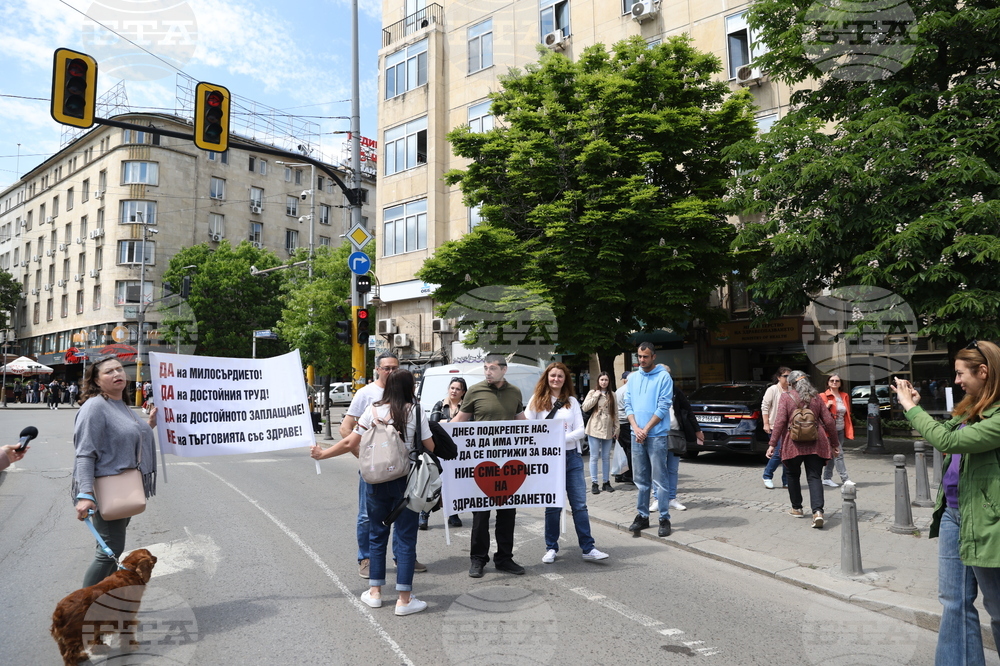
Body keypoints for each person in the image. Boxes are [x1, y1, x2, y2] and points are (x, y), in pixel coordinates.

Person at [893, 340, 1000, 663]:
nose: (956, 381)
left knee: (997, 607)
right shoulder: (972, 406)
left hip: (986, 519)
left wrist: (910, 409)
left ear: (983, 372)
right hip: (954, 513)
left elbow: (946, 440)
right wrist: (915, 403)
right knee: (953, 601)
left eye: (960, 374)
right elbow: (943, 433)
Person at [312, 370, 433, 616]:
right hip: (406, 482)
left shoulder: (373, 410)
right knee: (406, 538)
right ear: (411, 388)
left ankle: (375, 593)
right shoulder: (415, 412)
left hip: (375, 480)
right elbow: (430, 446)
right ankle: (404, 599)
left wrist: (322, 454)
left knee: (377, 535)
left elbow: (349, 442)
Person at [72, 354, 158, 587]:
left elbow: (126, 437)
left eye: (119, 369)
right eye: (109, 371)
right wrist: (85, 494)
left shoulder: (121, 405)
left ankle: (102, 599)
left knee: (110, 548)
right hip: (106, 487)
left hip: (125, 487)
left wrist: (148, 425)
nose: (117, 373)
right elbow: (85, 453)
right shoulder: (95, 407)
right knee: (109, 550)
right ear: (97, 381)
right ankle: (82, 607)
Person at [340, 353, 425, 578]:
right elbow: (346, 428)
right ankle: (366, 558)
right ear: (377, 369)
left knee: (403, 514)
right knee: (368, 516)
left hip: (404, 470)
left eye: (394, 368)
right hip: (374, 469)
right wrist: (365, 457)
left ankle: (402, 558)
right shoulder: (366, 394)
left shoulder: (409, 397)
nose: (390, 371)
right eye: (386, 368)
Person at [451, 354, 528, 577]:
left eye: (492, 368)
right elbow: (460, 421)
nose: (488, 372)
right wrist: (436, 430)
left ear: (504, 370)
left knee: (507, 514)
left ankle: (504, 558)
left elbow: (522, 422)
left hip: (508, 463)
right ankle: (478, 559)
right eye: (485, 368)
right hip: (482, 464)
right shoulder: (475, 391)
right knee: (481, 515)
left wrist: (546, 434)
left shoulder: (514, 392)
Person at [527, 362, 610, 564]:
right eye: (553, 375)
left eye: (560, 376)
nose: (556, 379)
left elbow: (581, 431)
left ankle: (588, 548)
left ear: (566, 379)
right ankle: (551, 548)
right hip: (549, 459)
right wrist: (554, 438)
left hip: (572, 457)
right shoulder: (537, 400)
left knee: (580, 505)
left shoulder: (572, 401)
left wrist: (559, 438)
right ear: (547, 377)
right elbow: (529, 428)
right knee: (553, 506)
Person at [766, 371, 838, 529]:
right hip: (816, 442)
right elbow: (829, 422)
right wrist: (834, 444)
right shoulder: (817, 397)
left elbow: (779, 422)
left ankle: (797, 508)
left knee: (792, 475)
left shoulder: (786, 397)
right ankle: (818, 512)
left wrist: (772, 444)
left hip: (793, 442)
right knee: (814, 477)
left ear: (791, 383)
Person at [623, 342, 674, 537]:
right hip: (637, 434)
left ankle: (664, 518)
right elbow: (627, 405)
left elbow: (663, 406)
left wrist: (645, 429)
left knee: (659, 479)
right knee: (640, 479)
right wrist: (636, 428)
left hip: (656, 435)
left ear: (654, 357)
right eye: (639, 356)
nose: (641, 360)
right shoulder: (633, 378)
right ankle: (642, 516)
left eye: (645, 356)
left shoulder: (663, 377)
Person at [421, 377, 467, 529]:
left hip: (458, 451)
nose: (454, 391)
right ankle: (424, 515)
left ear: (463, 392)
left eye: (457, 389)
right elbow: (434, 424)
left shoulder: (466, 406)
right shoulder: (440, 405)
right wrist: (453, 423)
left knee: (453, 483)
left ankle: (453, 514)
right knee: (432, 482)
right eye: (452, 388)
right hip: (439, 449)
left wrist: (446, 423)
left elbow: (469, 423)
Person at [582, 371, 618, 494]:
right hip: (594, 426)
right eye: (601, 379)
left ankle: (606, 482)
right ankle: (594, 483)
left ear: (609, 381)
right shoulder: (592, 392)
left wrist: (616, 428)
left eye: (606, 380)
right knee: (594, 456)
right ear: (598, 381)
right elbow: (585, 407)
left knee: (606, 457)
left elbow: (616, 413)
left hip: (608, 427)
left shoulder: (613, 394)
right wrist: (596, 396)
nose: (604, 382)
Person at [761, 367, 791, 489]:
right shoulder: (772, 389)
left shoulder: (792, 390)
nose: (788, 378)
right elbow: (765, 407)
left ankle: (786, 480)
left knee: (788, 454)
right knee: (778, 452)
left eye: (790, 376)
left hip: (789, 427)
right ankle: (767, 476)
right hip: (775, 425)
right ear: (779, 377)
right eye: (785, 376)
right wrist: (766, 423)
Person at [820, 374, 852, 487]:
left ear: (840, 383)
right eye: (832, 380)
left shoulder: (844, 396)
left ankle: (827, 478)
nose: (834, 382)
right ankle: (845, 479)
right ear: (828, 382)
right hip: (829, 431)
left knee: (834, 454)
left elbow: (846, 414)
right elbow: (818, 412)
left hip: (841, 429)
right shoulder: (823, 396)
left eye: (837, 381)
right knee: (839, 453)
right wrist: (826, 406)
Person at [614, 372, 633, 484]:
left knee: (622, 448)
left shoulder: (619, 390)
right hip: (626, 421)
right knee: (629, 448)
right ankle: (628, 474)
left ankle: (619, 474)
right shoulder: (629, 391)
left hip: (619, 421)